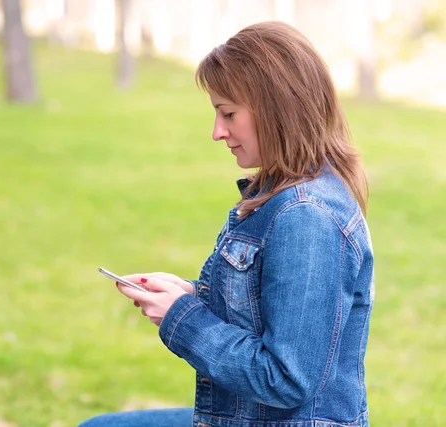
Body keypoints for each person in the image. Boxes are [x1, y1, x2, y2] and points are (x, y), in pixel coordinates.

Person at [79, 21, 374, 427]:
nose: (218, 132)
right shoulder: (284, 193)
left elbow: (286, 380)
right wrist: (193, 296)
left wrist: (182, 317)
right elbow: (267, 314)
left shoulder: (306, 215)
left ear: (277, 108)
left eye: (228, 113)